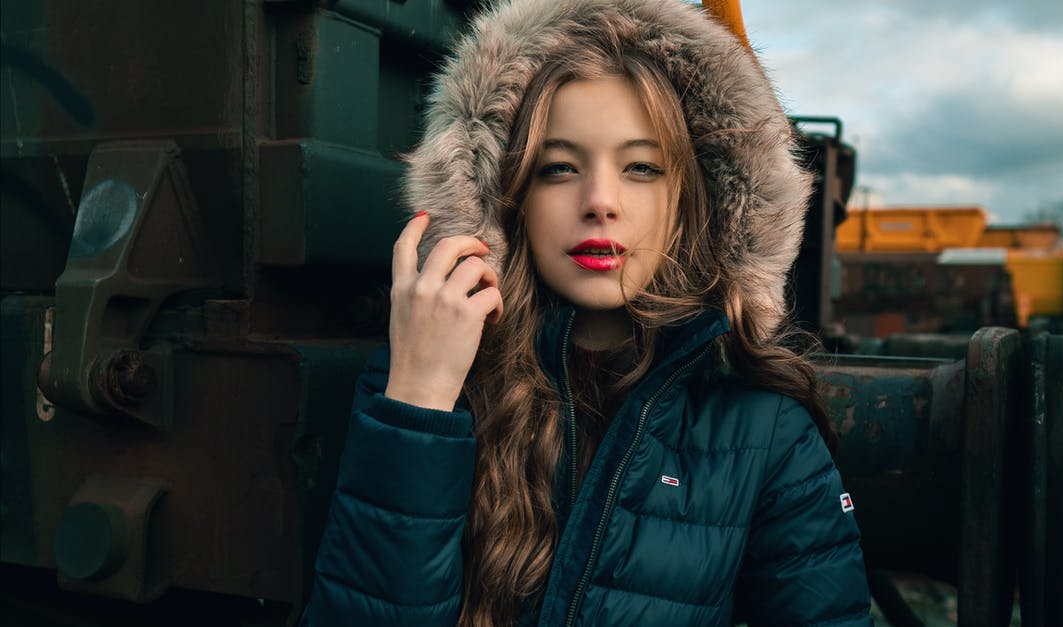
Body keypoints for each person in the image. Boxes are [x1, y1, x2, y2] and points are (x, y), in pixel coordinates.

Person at [303, 0, 871, 625]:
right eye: (560, 168)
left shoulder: (765, 428)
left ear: (689, 199)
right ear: (507, 195)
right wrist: (418, 401)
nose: (600, 201)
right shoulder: (430, 383)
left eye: (640, 168)